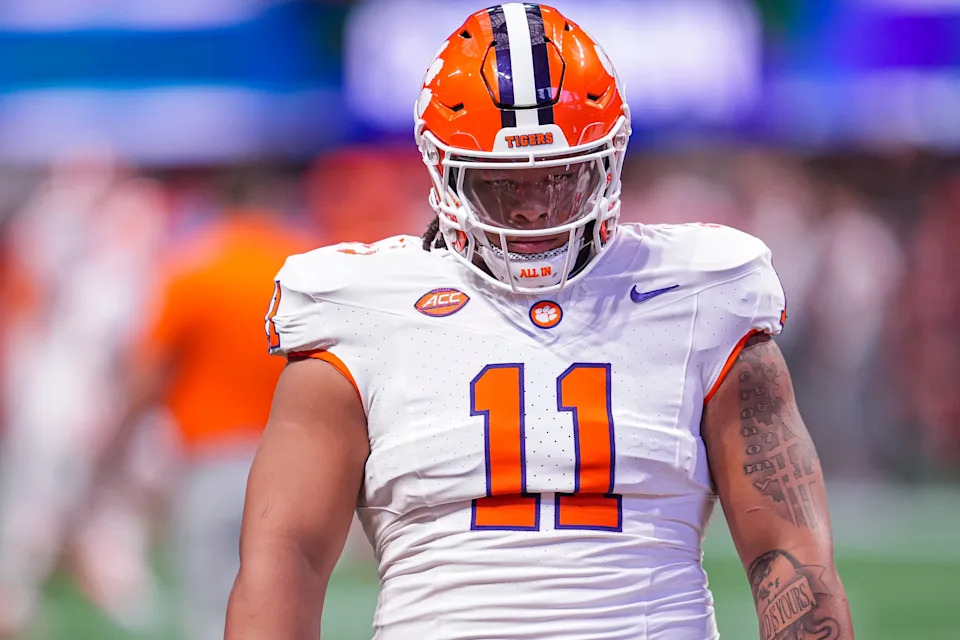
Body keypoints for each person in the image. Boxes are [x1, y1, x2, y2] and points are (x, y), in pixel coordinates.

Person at [226, 4, 854, 639]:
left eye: (560, 176)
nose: (533, 209)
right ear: (445, 174)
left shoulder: (702, 293)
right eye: (503, 182)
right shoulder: (360, 311)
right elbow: (285, 561)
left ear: (608, 162)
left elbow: (791, 554)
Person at [96, 200, 308, 640]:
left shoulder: (195, 270)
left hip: (212, 459)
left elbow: (148, 376)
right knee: (289, 609)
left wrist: (113, 446)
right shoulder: (303, 265)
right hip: (297, 458)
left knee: (213, 610)